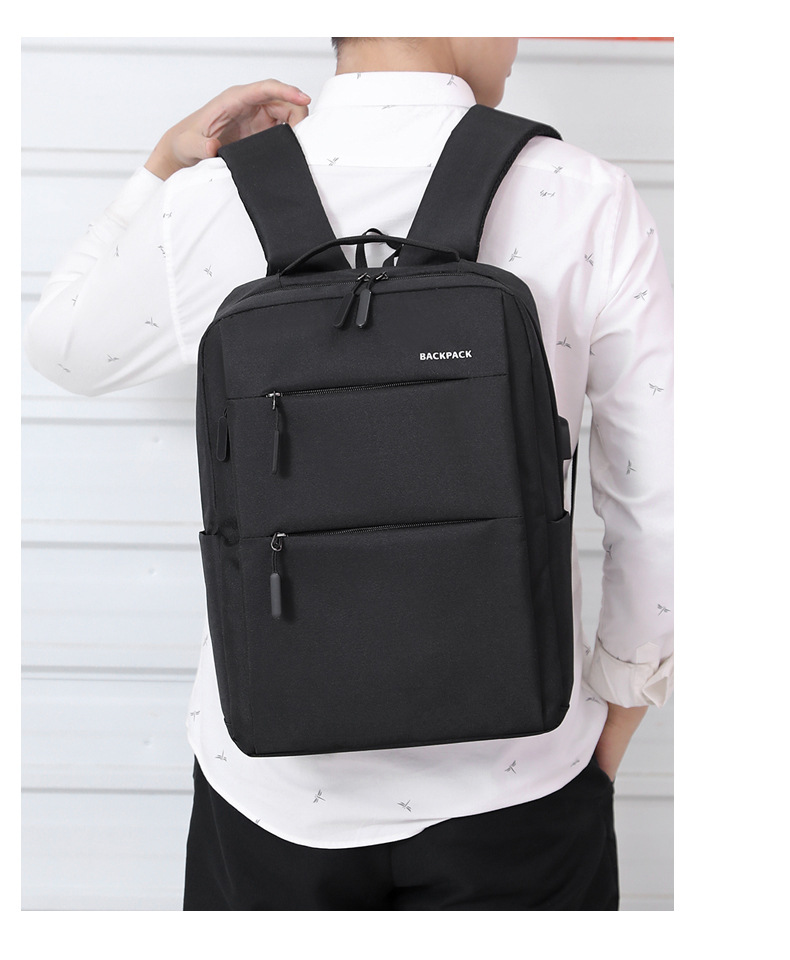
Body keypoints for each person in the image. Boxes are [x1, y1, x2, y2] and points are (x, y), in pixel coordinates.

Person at [24, 37, 673, 911]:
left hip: (270, 792)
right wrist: (613, 725)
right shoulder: (584, 193)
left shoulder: (213, 195)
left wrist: (163, 165)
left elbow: (63, 347)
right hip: (519, 785)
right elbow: (663, 496)